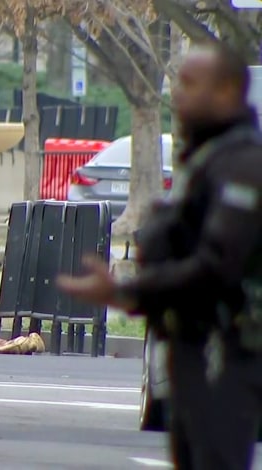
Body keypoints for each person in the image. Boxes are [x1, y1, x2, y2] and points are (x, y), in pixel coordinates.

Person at [56, 41, 262, 470]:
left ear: (225, 91)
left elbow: (217, 265)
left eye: (189, 83)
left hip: (223, 349)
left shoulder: (242, 165)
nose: (178, 94)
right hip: (191, 347)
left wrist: (127, 291)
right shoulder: (208, 158)